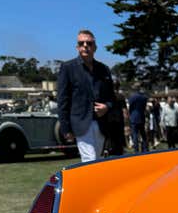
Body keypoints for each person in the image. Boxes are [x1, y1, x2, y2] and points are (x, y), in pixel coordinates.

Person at [57, 29, 114, 162]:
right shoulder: (68, 68)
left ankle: (97, 183)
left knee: (99, 159)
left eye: (89, 43)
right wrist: (65, 129)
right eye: (81, 43)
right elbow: (62, 100)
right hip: (80, 123)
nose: (85, 46)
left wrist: (106, 106)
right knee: (90, 159)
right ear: (77, 47)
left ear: (95, 47)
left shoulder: (104, 69)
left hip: (101, 123)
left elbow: (112, 97)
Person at [106, 80, 128, 156]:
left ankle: (109, 150)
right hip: (119, 119)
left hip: (109, 119)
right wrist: (126, 122)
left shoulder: (107, 95)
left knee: (111, 137)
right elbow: (124, 110)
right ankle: (119, 151)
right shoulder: (121, 96)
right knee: (119, 138)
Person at [128, 84, 148, 153]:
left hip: (134, 117)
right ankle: (145, 148)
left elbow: (130, 105)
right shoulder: (144, 97)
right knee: (143, 134)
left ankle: (136, 149)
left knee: (135, 134)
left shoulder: (133, 97)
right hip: (142, 116)